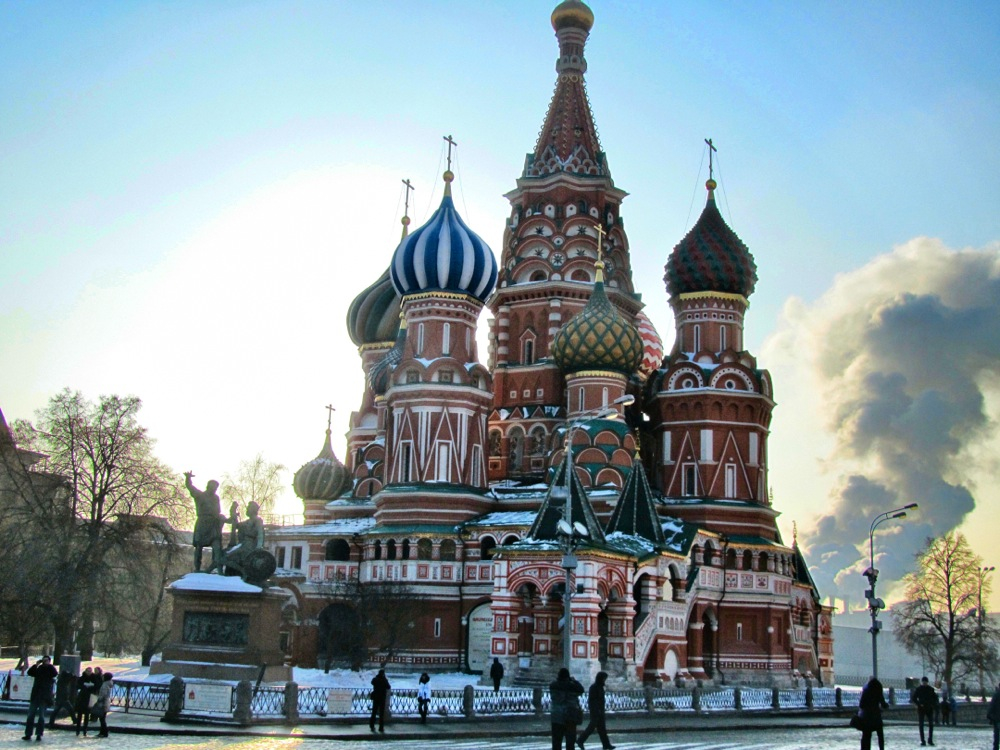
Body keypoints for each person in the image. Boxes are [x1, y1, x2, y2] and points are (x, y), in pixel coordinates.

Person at [185, 471, 225, 573]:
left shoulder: (216, 498)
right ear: (208, 486)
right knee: (199, 546)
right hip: (202, 523)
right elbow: (190, 487)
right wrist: (188, 478)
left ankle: (218, 568)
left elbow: (218, 511)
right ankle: (197, 568)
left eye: (216, 488)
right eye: (213, 487)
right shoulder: (200, 495)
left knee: (217, 546)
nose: (215, 489)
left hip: (213, 524)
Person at [224, 500, 265, 575]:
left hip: (249, 545)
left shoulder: (257, 520)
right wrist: (233, 512)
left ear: (253, 509)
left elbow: (260, 534)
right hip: (242, 544)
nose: (247, 510)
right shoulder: (246, 522)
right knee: (227, 554)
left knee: (230, 556)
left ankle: (242, 573)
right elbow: (236, 525)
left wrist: (259, 547)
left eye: (248, 508)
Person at [22, 655, 58, 741]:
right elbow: (30, 673)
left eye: (47, 660)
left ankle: (39, 734)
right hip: (35, 696)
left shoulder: (50, 669)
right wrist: (36, 665)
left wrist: (50, 665)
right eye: (44, 660)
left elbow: (55, 674)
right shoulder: (39, 669)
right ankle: (28, 734)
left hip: (44, 697)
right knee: (30, 716)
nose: (45, 662)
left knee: (41, 717)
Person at [549, 667, 585, 750]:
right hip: (570, 715)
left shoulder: (553, 685)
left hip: (556, 715)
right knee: (570, 740)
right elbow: (581, 689)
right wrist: (574, 681)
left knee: (556, 741)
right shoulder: (571, 686)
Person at [577, 670, 614, 750]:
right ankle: (580, 740)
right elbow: (593, 700)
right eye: (604, 679)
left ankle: (606, 744)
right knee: (592, 728)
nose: (605, 680)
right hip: (596, 711)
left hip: (599, 710)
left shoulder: (599, 687)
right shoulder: (594, 687)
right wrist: (597, 710)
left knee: (602, 729)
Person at [858, 675, 887, 750]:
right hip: (876, 716)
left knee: (866, 736)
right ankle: (881, 748)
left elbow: (861, 704)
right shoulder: (878, 690)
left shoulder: (866, 690)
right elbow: (883, 703)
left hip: (867, 717)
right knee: (880, 735)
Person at [73, 667, 99, 735]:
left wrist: (91, 686)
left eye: (90, 671)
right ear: (85, 671)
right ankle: (77, 730)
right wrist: (84, 685)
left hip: (89, 698)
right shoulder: (82, 677)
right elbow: (77, 685)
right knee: (79, 715)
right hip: (82, 697)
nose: (89, 672)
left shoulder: (94, 678)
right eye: (88, 671)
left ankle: (85, 730)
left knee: (87, 715)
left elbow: (97, 686)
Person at [913, 675, 937, 746]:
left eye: (925, 682)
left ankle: (930, 740)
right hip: (921, 709)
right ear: (922, 682)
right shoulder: (919, 689)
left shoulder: (931, 689)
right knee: (921, 725)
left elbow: (935, 698)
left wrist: (932, 704)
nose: (924, 683)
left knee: (931, 725)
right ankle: (922, 740)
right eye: (923, 682)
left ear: (927, 682)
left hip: (929, 709)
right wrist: (919, 704)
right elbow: (914, 698)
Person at [92, 672, 113, 738]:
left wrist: (98, 700)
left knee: (102, 719)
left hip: (103, 703)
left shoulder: (104, 685)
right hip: (106, 702)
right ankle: (103, 732)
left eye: (103, 676)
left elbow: (102, 695)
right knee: (102, 718)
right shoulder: (108, 684)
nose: (102, 677)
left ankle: (104, 732)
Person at [369, 668, 390, 733]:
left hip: (376, 697)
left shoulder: (375, 679)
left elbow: (372, 682)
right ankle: (381, 727)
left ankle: (372, 725)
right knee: (381, 713)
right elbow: (388, 687)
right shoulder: (384, 680)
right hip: (382, 698)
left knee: (374, 712)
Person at [986, 681, 1000, 750]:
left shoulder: (996, 695)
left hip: (997, 718)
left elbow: (992, 706)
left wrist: (989, 715)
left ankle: (996, 748)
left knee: (997, 734)